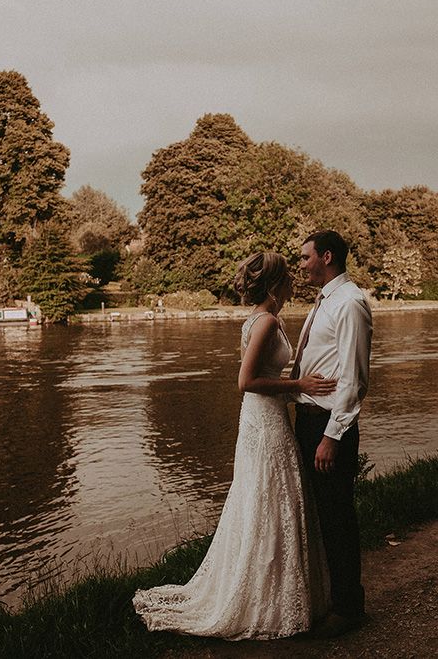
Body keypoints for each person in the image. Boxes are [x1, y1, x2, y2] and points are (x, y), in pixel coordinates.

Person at [133, 251, 336, 640]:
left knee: (268, 497)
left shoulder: (262, 319)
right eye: (289, 276)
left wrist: (298, 387)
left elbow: (262, 374)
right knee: (267, 497)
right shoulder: (266, 322)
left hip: (267, 417)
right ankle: (260, 597)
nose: (295, 281)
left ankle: (279, 593)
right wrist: (299, 385)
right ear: (277, 283)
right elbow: (245, 381)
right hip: (263, 421)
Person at [291, 230, 372, 638]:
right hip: (307, 420)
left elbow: (354, 379)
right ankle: (329, 597)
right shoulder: (325, 300)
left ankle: (349, 608)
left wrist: (332, 436)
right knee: (321, 515)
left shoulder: (351, 302)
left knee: (337, 516)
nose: (301, 264)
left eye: (305, 258)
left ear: (327, 257)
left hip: (328, 426)